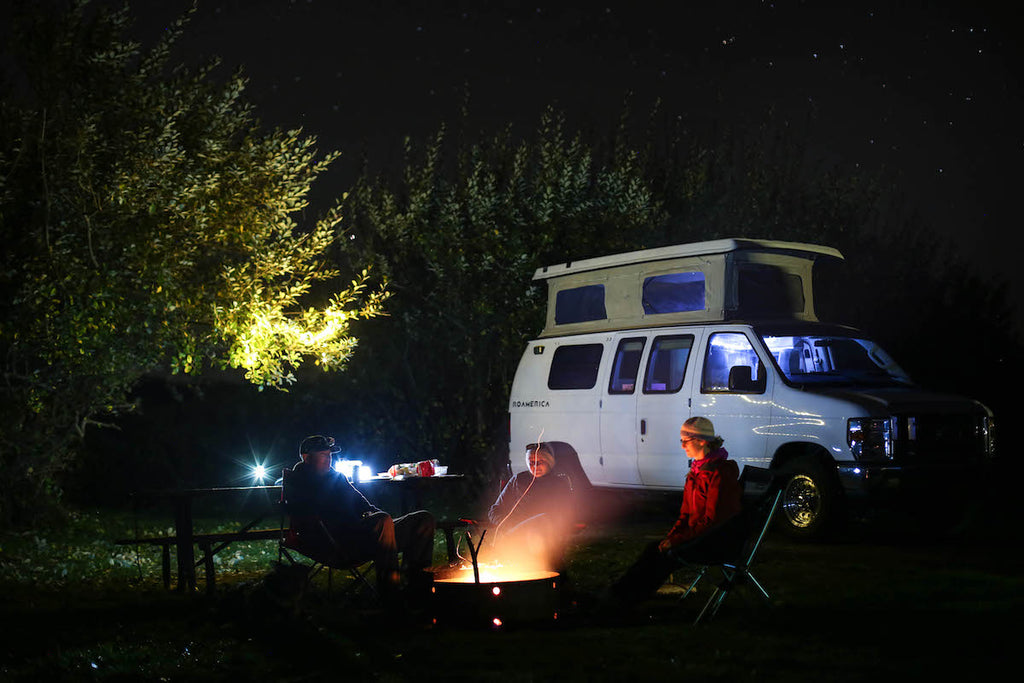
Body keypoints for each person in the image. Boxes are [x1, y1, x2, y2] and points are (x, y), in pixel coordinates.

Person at [284, 435, 436, 600]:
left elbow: (365, 506)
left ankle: (417, 588)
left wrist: (379, 520)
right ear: (307, 458)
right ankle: (391, 595)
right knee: (382, 521)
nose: (329, 459)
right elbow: (305, 522)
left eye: (330, 455)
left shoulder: (337, 478)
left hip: (364, 534)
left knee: (423, 520)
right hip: (337, 544)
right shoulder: (299, 483)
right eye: (324, 455)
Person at [608, 416, 742, 601]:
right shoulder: (695, 473)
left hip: (714, 542)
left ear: (702, 441)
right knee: (655, 550)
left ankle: (625, 601)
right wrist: (672, 537)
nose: (682, 446)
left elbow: (712, 521)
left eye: (685, 441)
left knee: (664, 558)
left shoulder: (720, 474)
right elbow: (685, 514)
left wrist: (678, 540)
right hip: (697, 537)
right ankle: (617, 596)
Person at [487, 443, 574, 570]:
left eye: (540, 461)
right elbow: (495, 510)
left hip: (547, 535)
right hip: (517, 533)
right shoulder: (518, 481)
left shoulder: (559, 484)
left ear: (549, 462)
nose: (535, 466)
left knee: (544, 520)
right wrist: (507, 524)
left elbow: (567, 513)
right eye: (531, 462)